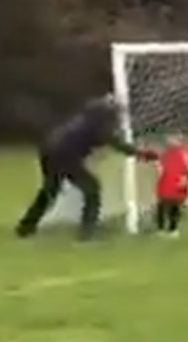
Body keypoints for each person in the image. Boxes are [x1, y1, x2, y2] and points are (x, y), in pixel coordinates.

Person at [15, 94, 157, 241]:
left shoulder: (85, 120)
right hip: (64, 156)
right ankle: (87, 233)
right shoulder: (99, 126)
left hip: (49, 152)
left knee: (50, 191)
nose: (117, 119)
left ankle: (25, 227)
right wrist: (144, 154)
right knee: (92, 188)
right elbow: (119, 145)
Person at [155, 134, 188, 238]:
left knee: (174, 207)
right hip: (167, 183)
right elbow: (160, 169)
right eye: (170, 139)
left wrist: (186, 180)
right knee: (162, 206)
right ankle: (161, 229)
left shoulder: (186, 155)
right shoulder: (165, 154)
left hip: (177, 184)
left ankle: (172, 229)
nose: (170, 141)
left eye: (174, 139)